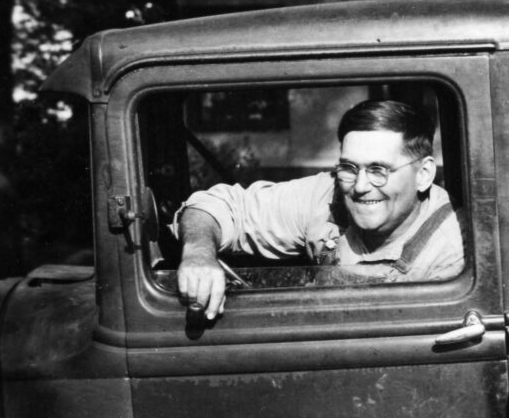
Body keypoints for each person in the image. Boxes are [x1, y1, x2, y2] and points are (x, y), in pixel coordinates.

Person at [174, 99, 464, 317]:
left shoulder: (452, 248)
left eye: (379, 170)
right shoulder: (327, 194)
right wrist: (198, 253)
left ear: (424, 174)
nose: (360, 186)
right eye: (349, 167)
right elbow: (221, 206)